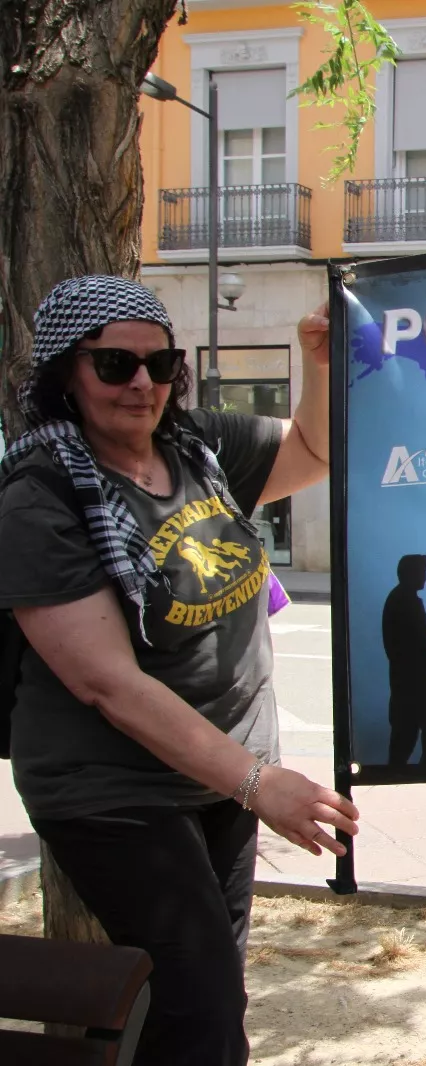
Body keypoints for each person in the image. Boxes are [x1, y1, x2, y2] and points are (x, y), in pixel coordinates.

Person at [0, 275, 358, 1066]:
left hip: (218, 774)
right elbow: (108, 683)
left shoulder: (197, 447)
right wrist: (260, 784)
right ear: (67, 372)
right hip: (113, 790)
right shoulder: (41, 497)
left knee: (203, 992)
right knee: (199, 1004)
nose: (141, 385)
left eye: (160, 366)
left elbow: (311, 454)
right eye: (115, 366)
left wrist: (317, 362)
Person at [382, 555, 426, 765]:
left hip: (407, 678)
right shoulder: (405, 601)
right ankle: (425, 770)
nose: (425, 577)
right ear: (409, 573)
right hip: (409, 680)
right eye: (421, 572)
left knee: (407, 735)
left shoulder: (403, 598)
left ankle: (418, 770)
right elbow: (416, 647)